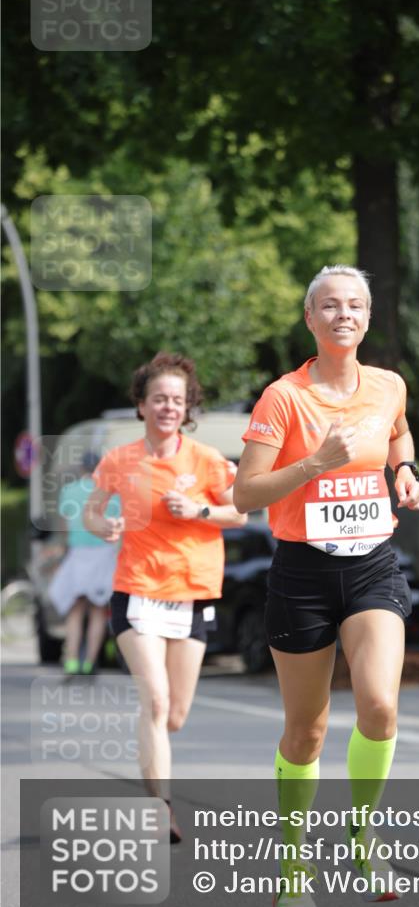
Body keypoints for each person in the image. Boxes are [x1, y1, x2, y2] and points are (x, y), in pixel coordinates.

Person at [234, 264, 419, 907]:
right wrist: (316, 461)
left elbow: (396, 429)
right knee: (306, 730)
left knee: (378, 705)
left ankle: (362, 834)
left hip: (373, 563)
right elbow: (245, 494)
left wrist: (403, 470)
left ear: (367, 317)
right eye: (329, 306)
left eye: (355, 305)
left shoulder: (387, 386)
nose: (343, 314)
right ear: (310, 319)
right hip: (303, 573)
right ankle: (293, 867)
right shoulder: (283, 398)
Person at [84, 352, 247, 840]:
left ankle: (152, 759)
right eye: (158, 399)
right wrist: (105, 524)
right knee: (154, 702)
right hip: (136, 591)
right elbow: (90, 513)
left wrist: (199, 510)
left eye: (177, 400)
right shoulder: (119, 460)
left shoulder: (207, 461)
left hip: (192, 594)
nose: (167, 407)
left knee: (174, 715)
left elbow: (240, 513)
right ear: (141, 405)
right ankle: (161, 811)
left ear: (187, 407)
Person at [48, 452, 120, 676]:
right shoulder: (113, 494)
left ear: (81, 468)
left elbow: (63, 527)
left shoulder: (70, 491)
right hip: (105, 553)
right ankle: (89, 662)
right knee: (98, 610)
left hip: (78, 553)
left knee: (75, 610)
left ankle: (70, 661)